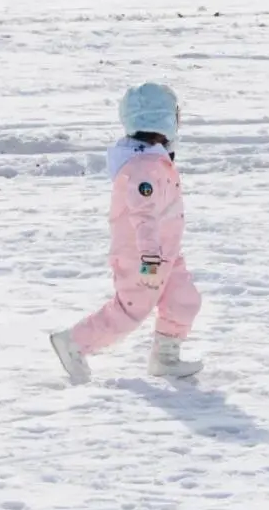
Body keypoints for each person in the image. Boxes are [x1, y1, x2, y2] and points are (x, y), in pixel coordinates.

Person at [50, 82, 202, 384]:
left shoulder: (153, 159)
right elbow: (143, 215)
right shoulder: (141, 168)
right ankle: (73, 343)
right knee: (129, 312)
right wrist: (149, 257)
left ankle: (165, 357)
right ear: (163, 121)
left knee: (184, 299)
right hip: (144, 257)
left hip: (165, 252)